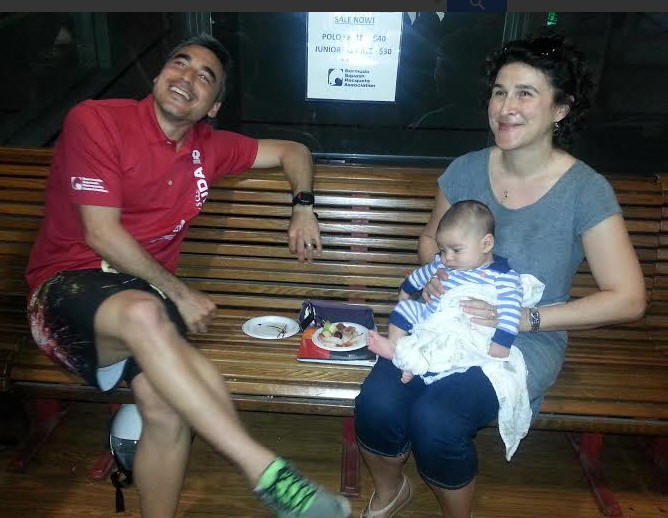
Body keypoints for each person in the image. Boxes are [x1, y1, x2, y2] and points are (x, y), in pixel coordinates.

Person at [25, 34, 350, 518]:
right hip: (65, 292)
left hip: (145, 303)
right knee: (144, 311)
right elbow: (101, 233)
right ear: (159, 75)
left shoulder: (209, 148)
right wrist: (178, 293)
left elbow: (294, 150)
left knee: (168, 409)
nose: (187, 78)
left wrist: (303, 206)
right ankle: (268, 474)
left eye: (205, 77)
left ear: (212, 106)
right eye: (180, 64)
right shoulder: (97, 120)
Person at [354, 32, 646, 518]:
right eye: (499, 91)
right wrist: (434, 274)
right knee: (377, 403)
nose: (506, 107)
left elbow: (628, 298)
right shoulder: (466, 170)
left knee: (437, 418)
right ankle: (390, 490)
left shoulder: (585, 190)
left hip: (520, 340)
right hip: (442, 321)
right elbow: (430, 239)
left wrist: (527, 319)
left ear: (560, 108)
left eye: (525, 93)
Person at [368, 200, 525, 385]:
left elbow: (510, 311)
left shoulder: (503, 276)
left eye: (456, 250)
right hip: (431, 318)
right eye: (442, 250)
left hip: (464, 328)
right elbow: (421, 274)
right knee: (404, 309)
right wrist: (405, 291)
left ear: (486, 244)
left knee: (449, 349)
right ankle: (396, 348)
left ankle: (414, 363)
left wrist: (502, 343)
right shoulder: (444, 266)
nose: (447, 257)